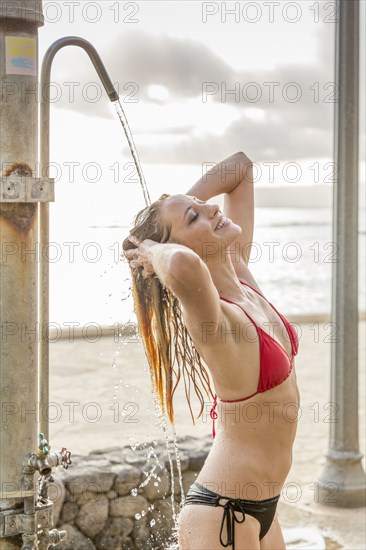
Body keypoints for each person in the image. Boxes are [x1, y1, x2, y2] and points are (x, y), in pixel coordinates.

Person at [123, 151, 299, 550]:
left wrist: (180, 214)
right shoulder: (212, 319)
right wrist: (154, 249)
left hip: (262, 509)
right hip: (223, 512)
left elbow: (240, 168)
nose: (211, 208)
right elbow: (183, 264)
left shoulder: (240, 274)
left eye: (202, 206)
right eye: (195, 217)